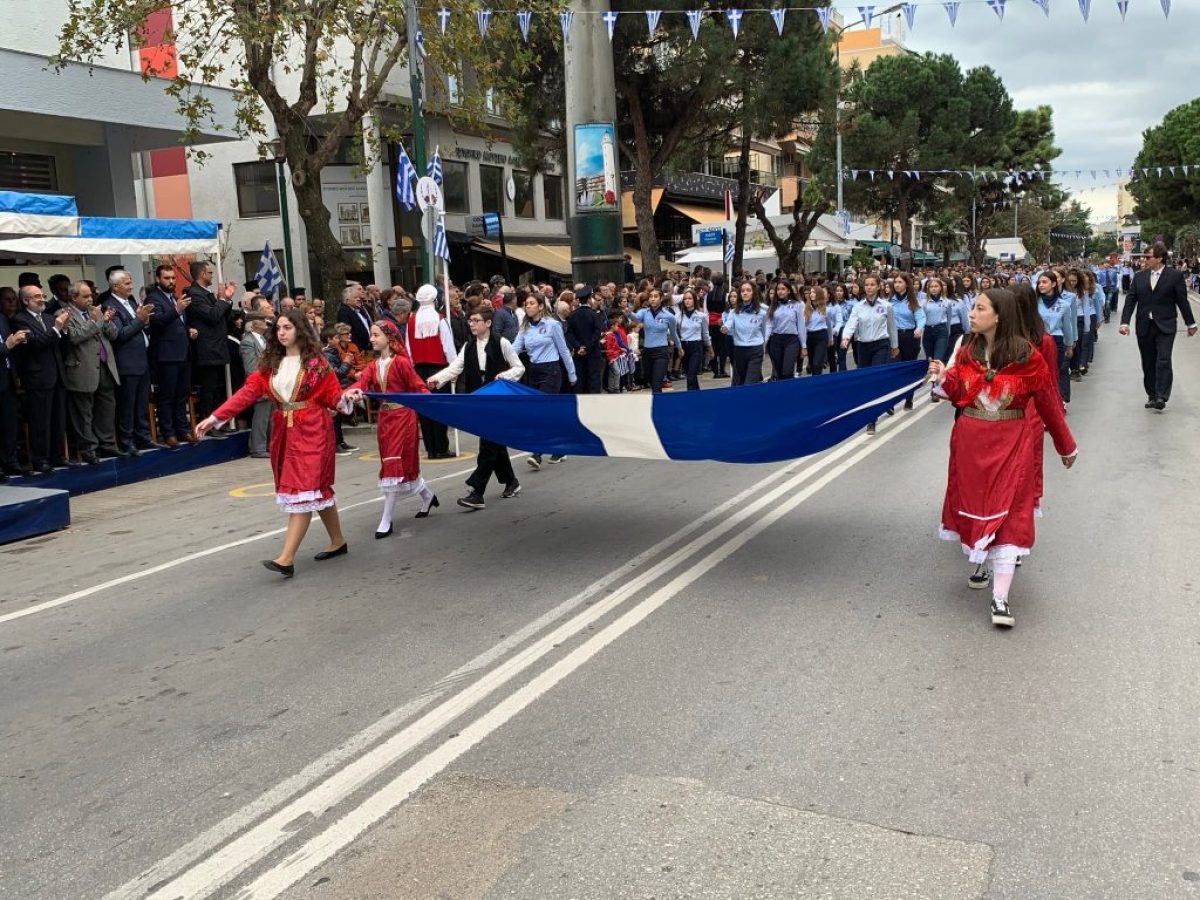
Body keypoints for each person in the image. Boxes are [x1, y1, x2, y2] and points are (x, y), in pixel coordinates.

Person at [928, 288, 1077, 629]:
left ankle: (1000, 598)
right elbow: (955, 391)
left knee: (1011, 516)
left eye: (979, 308)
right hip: (969, 444)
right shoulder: (967, 351)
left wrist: (1065, 445)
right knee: (976, 510)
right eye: (973, 308)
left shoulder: (1029, 356)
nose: (972, 313)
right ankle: (981, 562)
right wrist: (941, 378)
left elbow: (1048, 403)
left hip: (1012, 445)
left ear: (999, 316)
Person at [195, 310, 348, 578]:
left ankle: (286, 558)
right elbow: (246, 393)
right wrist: (215, 417)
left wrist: (348, 397)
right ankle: (338, 540)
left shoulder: (317, 364)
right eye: (278, 328)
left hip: (313, 429)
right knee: (315, 489)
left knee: (305, 489)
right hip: (285, 432)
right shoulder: (271, 365)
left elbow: (334, 396)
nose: (282, 332)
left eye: (287, 327)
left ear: (299, 330)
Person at [341, 320, 439, 535]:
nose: (372, 339)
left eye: (376, 335)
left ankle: (386, 520)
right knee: (394, 462)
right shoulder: (373, 365)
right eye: (372, 335)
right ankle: (428, 496)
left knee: (394, 463)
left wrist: (435, 404)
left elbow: (418, 386)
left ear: (389, 338)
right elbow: (362, 383)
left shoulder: (401, 362)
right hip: (385, 419)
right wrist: (351, 392)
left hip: (404, 417)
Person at [427, 306, 525, 510]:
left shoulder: (502, 342)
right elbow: (455, 367)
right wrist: (437, 379)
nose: (471, 324)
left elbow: (519, 367)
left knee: (488, 445)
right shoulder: (469, 346)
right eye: (470, 320)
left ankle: (477, 491)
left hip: (497, 401)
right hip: (479, 400)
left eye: (475, 320)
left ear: (488, 323)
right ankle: (511, 482)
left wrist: (504, 375)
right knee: (494, 443)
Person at [1120, 242, 1196, 411]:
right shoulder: (1139, 276)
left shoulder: (1174, 276)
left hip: (1166, 325)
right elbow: (1130, 301)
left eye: (1148, 257)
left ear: (1159, 258)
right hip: (1144, 325)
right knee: (1148, 361)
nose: (1145, 260)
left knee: (1163, 359)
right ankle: (1152, 395)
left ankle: (1162, 395)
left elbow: (1182, 301)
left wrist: (1191, 323)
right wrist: (1124, 322)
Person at [12, 285, 71, 472]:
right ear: (26, 300)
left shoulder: (48, 318)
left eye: (42, 295)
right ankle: (40, 459)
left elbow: (61, 346)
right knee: (40, 421)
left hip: (57, 375)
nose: (42, 299)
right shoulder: (20, 320)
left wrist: (64, 331)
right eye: (36, 296)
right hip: (38, 378)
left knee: (58, 419)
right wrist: (56, 329)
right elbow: (35, 344)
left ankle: (57, 455)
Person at [513, 291, 576, 469]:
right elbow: (515, 348)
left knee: (542, 411)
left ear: (541, 306)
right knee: (545, 411)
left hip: (551, 370)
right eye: (526, 304)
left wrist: (572, 374)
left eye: (532, 303)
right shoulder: (525, 327)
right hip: (533, 371)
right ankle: (559, 446)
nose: (528, 306)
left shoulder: (552, 324)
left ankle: (537, 453)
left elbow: (563, 350)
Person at [63, 281, 119, 464]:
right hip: (83, 368)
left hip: (105, 365)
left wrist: (104, 320)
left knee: (106, 408)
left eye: (91, 295)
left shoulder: (95, 312)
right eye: (85, 296)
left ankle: (107, 444)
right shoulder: (65, 315)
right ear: (73, 297)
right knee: (84, 412)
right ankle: (88, 449)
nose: (90, 299)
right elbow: (74, 337)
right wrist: (95, 322)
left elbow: (113, 335)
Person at [103, 270, 157, 455]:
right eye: (126, 283)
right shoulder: (110, 306)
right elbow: (120, 334)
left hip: (141, 360)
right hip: (126, 362)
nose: (131, 286)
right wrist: (140, 320)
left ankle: (143, 437)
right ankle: (127, 441)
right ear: (115, 286)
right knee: (127, 404)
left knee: (141, 403)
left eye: (130, 282)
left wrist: (145, 321)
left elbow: (139, 326)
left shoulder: (132, 302)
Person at [840, 274, 898, 435]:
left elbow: (892, 327)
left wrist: (895, 346)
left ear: (879, 286)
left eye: (873, 284)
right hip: (863, 345)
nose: (869, 287)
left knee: (875, 378)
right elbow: (851, 323)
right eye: (867, 285)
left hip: (881, 344)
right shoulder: (858, 306)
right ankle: (882, 403)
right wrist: (846, 337)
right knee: (866, 381)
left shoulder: (886, 306)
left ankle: (871, 419)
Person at [406, 284, 458, 460]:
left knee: (425, 410)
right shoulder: (440, 319)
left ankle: (431, 448)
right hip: (438, 368)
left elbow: (408, 349)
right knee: (439, 408)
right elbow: (448, 347)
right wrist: (454, 368)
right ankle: (441, 447)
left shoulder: (411, 320)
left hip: (419, 369)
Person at [146, 264, 195, 446]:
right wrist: (176, 310)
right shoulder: (153, 298)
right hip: (166, 355)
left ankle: (182, 429)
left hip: (182, 353)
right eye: (167, 278)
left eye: (173, 278)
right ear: (158, 279)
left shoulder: (176, 298)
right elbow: (157, 322)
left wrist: (189, 329)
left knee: (181, 394)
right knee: (167, 395)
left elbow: (177, 324)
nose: (171, 281)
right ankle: (168, 432)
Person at [185, 261, 236, 421]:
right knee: (209, 388)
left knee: (217, 387)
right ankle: (206, 421)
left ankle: (217, 421)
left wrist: (226, 300)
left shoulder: (206, 293)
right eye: (210, 272)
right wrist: (222, 300)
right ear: (202, 274)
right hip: (207, 349)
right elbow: (213, 316)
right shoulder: (194, 294)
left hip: (217, 347)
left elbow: (221, 317)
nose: (212, 275)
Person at [321, 326, 359, 455]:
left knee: (339, 416)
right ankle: (335, 443)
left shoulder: (334, 351)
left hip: (340, 386)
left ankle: (341, 441)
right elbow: (336, 374)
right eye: (336, 337)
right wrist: (347, 363)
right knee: (335, 417)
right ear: (329, 339)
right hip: (332, 388)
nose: (339, 340)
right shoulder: (326, 353)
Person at [889, 272, 925, 410]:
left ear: (906, 284)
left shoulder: (913, 301)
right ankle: (891, 402)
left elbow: (921, 317)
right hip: (894, 338)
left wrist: (919, 328)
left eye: (900, 282)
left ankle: (909, 398)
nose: (897, 285)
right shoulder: (889, 301)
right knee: (894, 369)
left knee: (908, 370)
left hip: (910, 337)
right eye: (895, 282)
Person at [721, 280, 768, 386]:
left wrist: (763, 349)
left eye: (748, 290)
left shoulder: (761, 313)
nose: (745, 293)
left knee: (749, 383)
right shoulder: (734, 312)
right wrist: (725, 328)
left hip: (755, 350)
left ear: (753, 293)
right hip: (739, 350)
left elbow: (764, 331)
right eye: (742, 291)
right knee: (738, 383)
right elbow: (728, 323)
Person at [239, 315, 272, 458]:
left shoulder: (263, 339)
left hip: (270, 382)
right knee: (261, 416)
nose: (266, 323)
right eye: (263, 320)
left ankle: (270, 445)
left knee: (270, 416)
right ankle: (258, 447)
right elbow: (251, 367)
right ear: (254, 324)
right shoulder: (248, 341)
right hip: (260, 383)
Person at [0, 308, 27, 477]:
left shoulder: (1, 318)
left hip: (7, 378)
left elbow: (10, 347)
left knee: (9, 424)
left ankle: (10, 460)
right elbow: (7, 345)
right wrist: (8, 345)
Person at [565, 284, 605, 394]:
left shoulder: (572, 315)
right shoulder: (594, 315)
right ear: (589, 299)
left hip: (578, 353)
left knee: (580, 379)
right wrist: (587, 347)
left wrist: (578, 346)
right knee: (593, 379)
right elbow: (597, 334)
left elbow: (569, 334)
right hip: (593, 353)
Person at [764, 280, 804, 381]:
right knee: (778, 371)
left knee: (788, 370)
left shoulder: (797, 305)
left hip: (791, 340)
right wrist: (764, 343)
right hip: (776, 340)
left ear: (789, 291)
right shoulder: (773, 306)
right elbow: (769, 326)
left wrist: (804, 346)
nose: (780, 292)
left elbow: (801, 326)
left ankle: (789, 392)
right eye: (778, 289)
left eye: (783, 289)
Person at [674, 290, 712, 391]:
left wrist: (710, 348)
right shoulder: (678, 316)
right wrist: (678, 346)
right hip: (684, 347)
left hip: (696, 346)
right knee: (690, 376)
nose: (687, 301)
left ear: (694, 300)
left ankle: (690, 396)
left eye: (690, 298)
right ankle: (697, 395)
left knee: (691, 374)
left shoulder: (701, 316)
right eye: (685, 299)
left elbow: (705, 334)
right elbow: (674, 332)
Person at [337, 283, 373, 353]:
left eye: (359, 298)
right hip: (358, 350)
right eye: (355, 298)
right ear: (347, 300)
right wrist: (358, 349)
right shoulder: (344, 312)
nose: (358, 299)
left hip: (368, 348)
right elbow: (348, 332)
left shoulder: (361, 310)